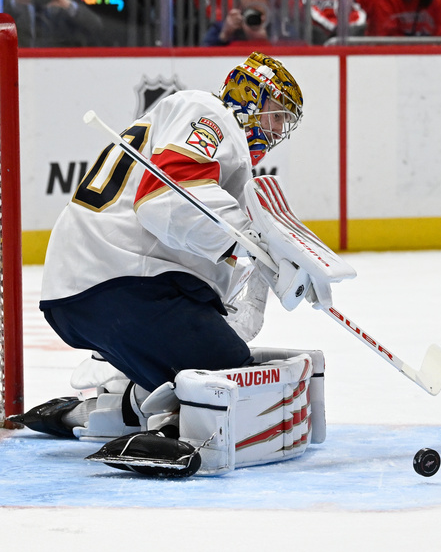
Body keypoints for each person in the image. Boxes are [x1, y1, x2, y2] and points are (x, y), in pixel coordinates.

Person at [7, 52, 341, 476]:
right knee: (221, 372)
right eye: (275, 114)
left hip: (97, 289)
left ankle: (93, 412)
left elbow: (214, 265)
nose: (276, 130)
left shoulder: (213, 145)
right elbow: (163, 201)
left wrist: (270, 270)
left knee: (219, 356)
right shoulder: (211, 114)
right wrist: (250, 244)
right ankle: (169, 428)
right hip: (120, 283)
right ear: (249, 96)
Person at [201, 0, 273, 45]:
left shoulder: (276, 29)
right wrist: (224, 36)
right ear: (238, 9)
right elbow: (203, 56)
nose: (255, 17)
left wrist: (263, 42)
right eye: (250, 11)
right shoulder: (223, 28)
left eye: (260, 13)